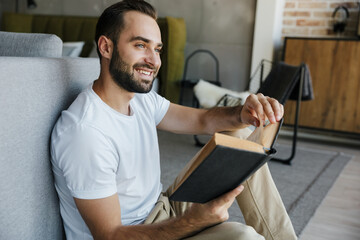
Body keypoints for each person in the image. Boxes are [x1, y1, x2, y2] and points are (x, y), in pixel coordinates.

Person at [50, 0, 297, 239]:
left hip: (163, 208)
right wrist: (192, 221)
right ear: (106, 47)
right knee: (244, 236)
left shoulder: (140, 99)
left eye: (157, 49)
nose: (154, 60)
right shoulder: (85, 132)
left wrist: (241, 113)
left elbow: (203, 121)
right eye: (140, 45)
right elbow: (110, 235)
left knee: (239, 133)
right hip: (133, 233)